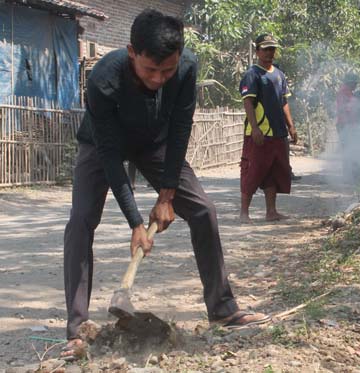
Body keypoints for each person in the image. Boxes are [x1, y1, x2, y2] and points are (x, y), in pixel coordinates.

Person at [61, 10, 268, 360]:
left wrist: (167, 195)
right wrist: (136, 223)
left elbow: (180, 128)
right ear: (131, 53)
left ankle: (222, 308)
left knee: (203, 210)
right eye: (150, 70)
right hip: (102, 145)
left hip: (156, 143)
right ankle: (77, 329)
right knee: (81, 221)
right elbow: (111, 156)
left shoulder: (186, 68)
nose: (159, 79)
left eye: (167, 71)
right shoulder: (103, 79)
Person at [239, 34, 298, 223]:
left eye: (272, 48)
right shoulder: (252, 74)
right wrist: (255, 128)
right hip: (260, 133)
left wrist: (291, 127)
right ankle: (244, 213)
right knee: (252, 171)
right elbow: (248, 102)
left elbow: (284, 102)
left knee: (274, 171)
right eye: (265, 49)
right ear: (257, 51)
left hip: (278, 132)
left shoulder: (279, 74)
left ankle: (271, 212)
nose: (270, 52)